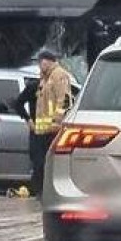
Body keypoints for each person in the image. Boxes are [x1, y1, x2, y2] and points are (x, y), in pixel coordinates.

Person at [32, 50, 74, 199]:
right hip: (43, 129)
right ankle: (42, 191)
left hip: (53, 128)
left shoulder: (59, 75)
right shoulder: (44, 78)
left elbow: (64, 100)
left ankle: (49, 192)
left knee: (51, 163)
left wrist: (58, 121)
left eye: (40, 62)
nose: (38, 65)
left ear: (47, 61)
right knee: (41, 162)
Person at [13, 77, 43, 196]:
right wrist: (28, 119)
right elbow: (18, 103)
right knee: (38, 163)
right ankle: (39, 191)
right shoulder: (34, 87)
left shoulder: (56, 86)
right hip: (37, 131)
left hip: (52, 131)